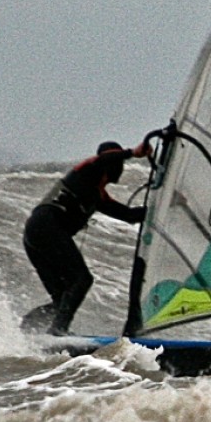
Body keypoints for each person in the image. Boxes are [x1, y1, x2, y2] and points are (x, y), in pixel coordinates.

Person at [22, 140, 150, 335]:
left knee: (62, 298)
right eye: (116, 162)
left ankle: (26, 328)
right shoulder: (84, 173)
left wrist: (169, 204)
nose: (119, 168)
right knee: (82, 279)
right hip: (45, 225)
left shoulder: (98, 197)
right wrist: (133, 152)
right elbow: (102, 159)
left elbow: (130, 216)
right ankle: (58, 330)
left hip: (36, 234)